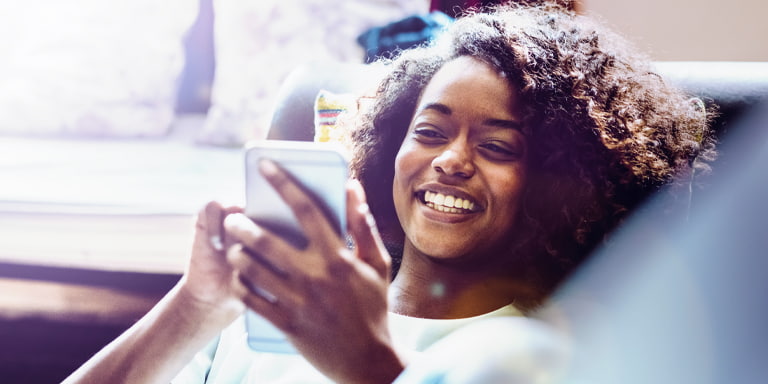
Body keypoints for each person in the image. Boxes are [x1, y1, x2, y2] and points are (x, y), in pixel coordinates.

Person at [64, 3, 715, 384]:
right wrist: (195, 308)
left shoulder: (540, 354)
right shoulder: (262, 318)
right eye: (430, 131)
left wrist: (365, 359)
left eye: (497, 146)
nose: (451, 161)